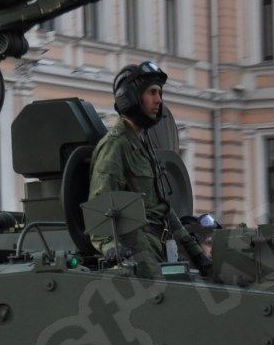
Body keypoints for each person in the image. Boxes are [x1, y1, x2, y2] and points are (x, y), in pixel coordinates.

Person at [87, 61, 204, 275]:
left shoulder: (144, 143)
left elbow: (164, 209)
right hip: (137, 248)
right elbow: (99, 205)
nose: (159, 100)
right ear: (129, 96)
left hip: (161, 243)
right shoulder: (116, 145)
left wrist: (196, 253)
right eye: (152, 92)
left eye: (159, 93)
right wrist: (110, 248)